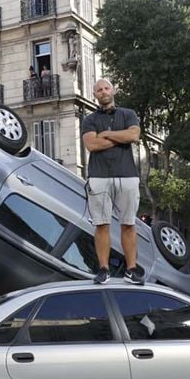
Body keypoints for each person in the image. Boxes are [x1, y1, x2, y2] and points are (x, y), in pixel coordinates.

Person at [81, 78, 143, 285]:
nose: (103, 92)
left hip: (127, 175)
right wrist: (120, 137)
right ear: (95, 95)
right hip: (99, 176)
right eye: (99, 90)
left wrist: (107, 134)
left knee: (128, 224)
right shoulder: (89, 120)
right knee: (101, 224)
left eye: (106, 88)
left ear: (113, 91)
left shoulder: (128, 114)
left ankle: (132, 269)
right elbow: (92, 145)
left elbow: (134, 135)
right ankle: (103, 269)